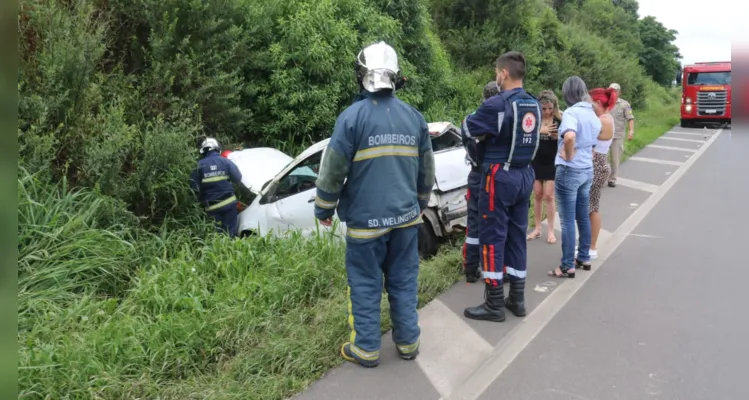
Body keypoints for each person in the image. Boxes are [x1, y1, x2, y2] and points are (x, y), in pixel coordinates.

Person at [313, 41, 435, 368]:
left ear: (362, 74)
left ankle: (366, 349)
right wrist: (420, 203)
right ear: (396, 76)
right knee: (404, 281)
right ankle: (408, 344)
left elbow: (332, 170)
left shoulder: (351, 119)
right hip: (407, 221)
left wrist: (324, 209)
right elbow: (427, 171)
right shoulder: (414, 118)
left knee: (365, 284)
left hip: (366, 225)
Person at [461, 51, 540, 322]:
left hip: (499, 177)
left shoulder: (496, 104)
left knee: (492, 237)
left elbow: (468, 129)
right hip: (525, 175)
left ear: (503, 74)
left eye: (497, 72)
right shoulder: (534, 104)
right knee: (517, 237)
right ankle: (516, 298)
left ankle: (494, 303)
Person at [548, 76, 600, 278]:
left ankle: (567, 265)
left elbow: (569, 136)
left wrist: (568, 154)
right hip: (587, 169)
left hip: (570, 170)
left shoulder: (571, 113)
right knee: (582, 216)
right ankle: (584, 256)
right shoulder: (592, 113)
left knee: (568, 221)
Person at [462, 80, 508, 284]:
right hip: (493, 176)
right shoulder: (502, 120)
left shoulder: (470, 120)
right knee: (496, 223)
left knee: (473, 225)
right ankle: (498, 269)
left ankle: (471, 269)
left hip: (474, 175)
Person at [526, 90, 562, 244]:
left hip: (551, 161)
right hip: (536, 161)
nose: (547, 111)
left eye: (550, 108)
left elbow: (564, 139)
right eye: (544, 108)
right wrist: (539, 131)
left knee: (549, 195)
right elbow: (526, 137)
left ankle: (551, 231)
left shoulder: (558, 120)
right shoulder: (534, 120)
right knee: (538, 194)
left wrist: (556, 136)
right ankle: (538, 228)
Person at [189, 137, 243, 237]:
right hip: (229, 205)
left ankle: (218, 252)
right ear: (217, 148)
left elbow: (194, 190)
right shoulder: (226, 162)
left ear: (203, 151)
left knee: (216, 237)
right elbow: (238, 179)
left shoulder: (198, 166)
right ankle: (231, 251)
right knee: (230, 234)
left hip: (211, 208)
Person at [607, 83, 635, 187]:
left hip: (617, 135)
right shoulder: (604, 102)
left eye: (615, 91)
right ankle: (602, 177)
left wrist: (631, 132)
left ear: (619, 92)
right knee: (602, 159)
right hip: (604, 135)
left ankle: (612, 179)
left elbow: (630, 119)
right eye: (611, 90)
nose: (613, 92)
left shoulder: (624, 104)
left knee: (615, 159)